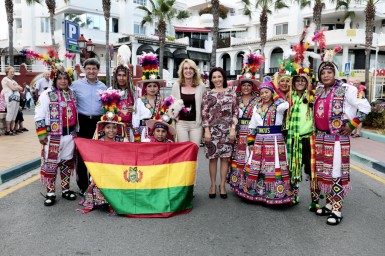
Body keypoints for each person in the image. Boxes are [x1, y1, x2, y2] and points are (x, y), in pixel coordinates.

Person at [313, 61, 371, 225]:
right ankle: (329, 205)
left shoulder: (347, 89)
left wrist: (352, 124)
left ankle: (337, 210)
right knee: (326, 173)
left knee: (336, 172)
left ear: (335, 74)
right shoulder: (319, 91)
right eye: (323, 73)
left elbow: (365, 107)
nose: (326, 75)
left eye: (329, 72)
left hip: (337, 138)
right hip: (321, 138)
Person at [237, 80, 295, 205]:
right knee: (258, 165)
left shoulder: (278, 106)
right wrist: (251, 142)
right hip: (259, 140)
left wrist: (275, 94)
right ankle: (257, 192)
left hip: (274, 140)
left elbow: (287, 105)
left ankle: (276, 193)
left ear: (272, 93)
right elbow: (252, 125)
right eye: (262, 93)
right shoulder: (256, 107)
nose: (264, 95)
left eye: (267, 92)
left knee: (274, 166)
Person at [34, 67, 78, 206]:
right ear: (55, 80)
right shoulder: (46, 94)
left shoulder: (72, 94)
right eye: (60, 78)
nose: (63, 81)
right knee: (51, 165)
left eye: (65, 78)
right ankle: (50, 192)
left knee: (66, 163)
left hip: (70, 135)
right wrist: (41, 134)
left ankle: (65, 189)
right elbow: (39, 115)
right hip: (53, 136)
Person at [80, 90, 128, 214]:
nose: (111, 130)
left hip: (118, 172)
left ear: (118, 129)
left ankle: (116, 201)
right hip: (103, 173)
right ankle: (104, 201)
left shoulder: (122, 140)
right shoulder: (98, 141)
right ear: (103, 128)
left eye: (114, 127)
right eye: (108, 127)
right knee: (96, 184)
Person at [227, 50, 264, 194]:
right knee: (238, 158)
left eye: (249, 85)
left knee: (251, 158)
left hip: (251, 134)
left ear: (253, 86)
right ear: (240, 86)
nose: (246, 87)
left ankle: (250, 185)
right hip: (237, 133)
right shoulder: (235, 99)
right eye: (244, 85)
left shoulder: (258, 99)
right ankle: (237, 185)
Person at [71, 58, 107, 195]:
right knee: (81, 156)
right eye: (88, 69)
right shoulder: (75, 85)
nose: (91, 71)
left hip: (98, 123)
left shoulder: (103, 87)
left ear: (98, 70)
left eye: (94, 69)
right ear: (84, 70)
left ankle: (96, 185)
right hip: (82, 122)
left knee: (97, 156)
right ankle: (83, 186)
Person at [202, 67, 238, 199]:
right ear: (211, 80)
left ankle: (222, 186)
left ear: (223, 78)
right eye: (214, 77)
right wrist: (206, 130)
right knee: (213, 159)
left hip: (227, 131)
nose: (217, 79)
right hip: (212, 131)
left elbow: (235, 111)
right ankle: (212, 185)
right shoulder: (208, 94)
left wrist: (233, 128)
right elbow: (204, 114)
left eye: (219, 76)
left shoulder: (231, 92)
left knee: (224, 159)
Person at [286, 69, 317, 208]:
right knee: (294, 169)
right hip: (293, 138)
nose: (300, 83)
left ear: (307, 82)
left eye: (302, 80)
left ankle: (315, 201)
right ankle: (294, 195)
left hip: (309, 138)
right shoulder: (289, 97)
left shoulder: (312, 97)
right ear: (293, 83)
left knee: (312, 171)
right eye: (297, 80)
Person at [171, 59, 206, 146]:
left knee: (194, 151)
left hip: (196, 125)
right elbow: (172, 107)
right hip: (181, 124)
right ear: (182, 71)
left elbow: (205, 107)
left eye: (191, 68)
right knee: (183, 153)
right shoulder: (176, 85)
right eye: (185, 68)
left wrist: (205, 127)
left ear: (194, 71)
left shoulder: (201, 86)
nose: (188, 71)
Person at [132, 52, 164, 142]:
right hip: (143, 132)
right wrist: (136, 131)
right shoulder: (139, 101)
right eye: (149, 86)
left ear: (158, 87)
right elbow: (135, 117)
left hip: (158, 132)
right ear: (145, 88)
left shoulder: (162, 101)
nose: (152, 88)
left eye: (155, 86)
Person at [1, 66, 23, 135]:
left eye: (13, 72)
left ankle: (12, 129)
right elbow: (13, 88)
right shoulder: (5, 79)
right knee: (10, 113)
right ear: (7, 72)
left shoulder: (13, 81)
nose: (13, 73)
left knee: (14, 114)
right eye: (11, 72)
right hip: (11, 99)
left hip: (16, 99)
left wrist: (17, 88)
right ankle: (8, 130)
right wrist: (17, 88)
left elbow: (21, 88)